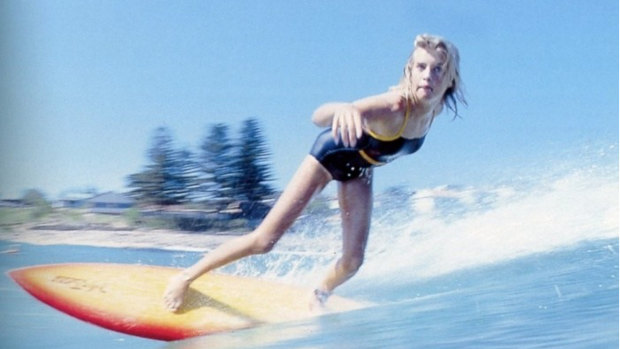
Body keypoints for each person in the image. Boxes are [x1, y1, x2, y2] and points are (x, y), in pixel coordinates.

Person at [163, 33, 466, 312]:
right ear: (410, 71)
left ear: (449, 79)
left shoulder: (434, 110)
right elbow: (318, 116)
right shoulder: (394, 105)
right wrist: (347, 109)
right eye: (421, 67)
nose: (428, 76)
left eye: (437, 69)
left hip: (360, 170)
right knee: (264, 240)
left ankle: (318, 295)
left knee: (352, 261)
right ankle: (185, 277)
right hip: (329, 154)